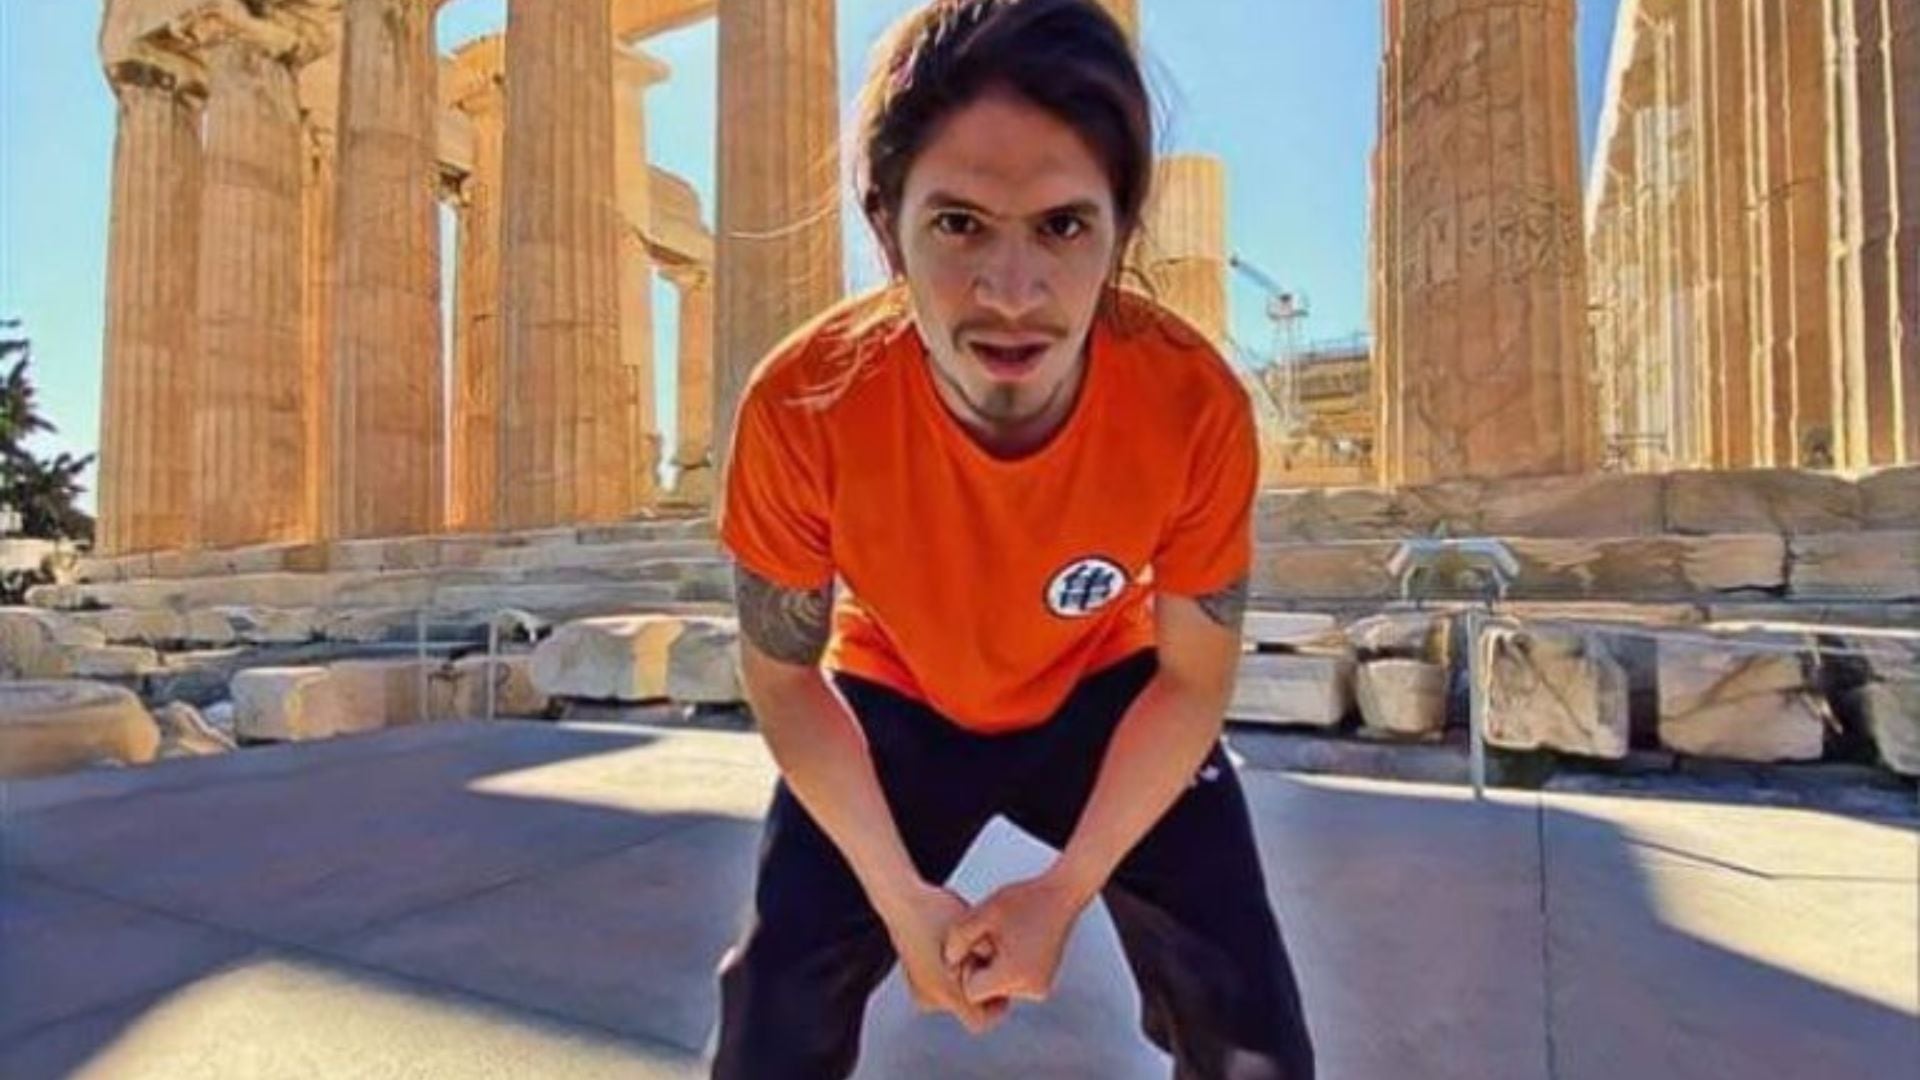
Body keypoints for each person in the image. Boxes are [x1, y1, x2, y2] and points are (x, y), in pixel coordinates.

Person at [711, 1, 1315, 1076]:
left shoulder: (1191, 406)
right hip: (895, 690)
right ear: (886, 223)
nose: (1012, 293)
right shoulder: (802, 404)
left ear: (1121, 228)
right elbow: (786, 680)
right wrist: (902, 903)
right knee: (774, 1010)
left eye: (1063, 226)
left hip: (1102, 687)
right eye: (959, 224)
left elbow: (1191, 682)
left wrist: (1064, 890)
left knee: (1249, 1018)